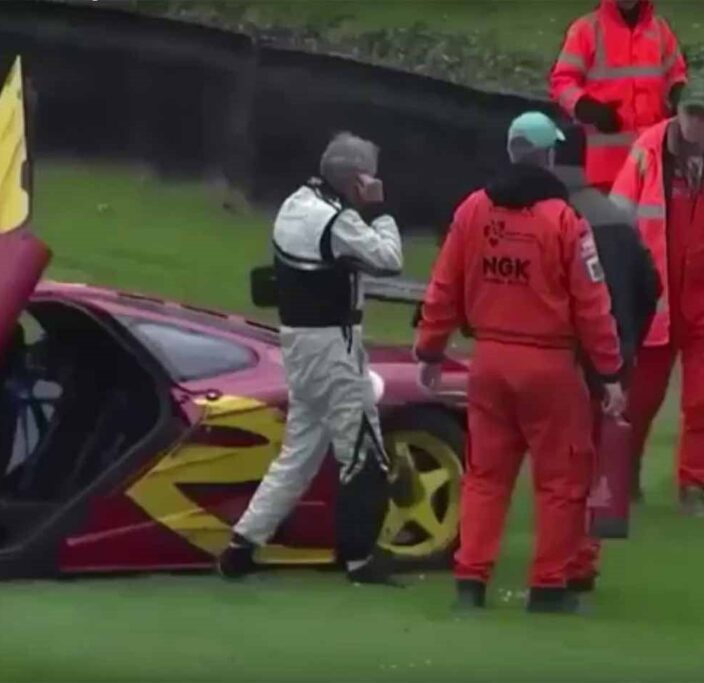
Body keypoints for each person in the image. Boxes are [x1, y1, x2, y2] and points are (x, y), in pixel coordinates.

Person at [414, 112, 626, 614]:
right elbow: (593, 305)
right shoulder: (565, 222)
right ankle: (548, 586)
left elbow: (442, 287)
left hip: (487, 359)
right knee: (560, 480)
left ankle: (471, 580)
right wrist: (610, 372)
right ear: (550, 155)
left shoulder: (472, 210)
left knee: (485, 476)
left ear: (509, 151)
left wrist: (429, 349)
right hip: (549, 366)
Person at [217, 132, 404, 585]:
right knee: (364, 452)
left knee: (298, 453)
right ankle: (359, 559)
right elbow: (390, 258)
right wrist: (377, 210)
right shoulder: (337, 221)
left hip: (298, 343)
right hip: (332, 345)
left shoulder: (294, 204)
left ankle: (242, 544)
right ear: (357, 180)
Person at [552, 144, 661, 590]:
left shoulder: (551, 216)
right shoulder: (615, 217)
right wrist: (631, 338)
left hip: (564, 354)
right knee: (597, 461)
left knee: (560, 462)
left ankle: (554, 564)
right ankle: (582, 561)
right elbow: (649, 285)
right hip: (617, 352)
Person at [610, 80, 704, 516]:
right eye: (693, 113)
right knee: (641, 397)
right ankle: (623, 476)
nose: (698, 123)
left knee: (702, 401)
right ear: (678, 111)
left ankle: (695, 486)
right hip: (657, 299)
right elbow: (618, 220)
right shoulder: (648, 151)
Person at [549, 0, 688, 192]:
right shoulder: (586, 29)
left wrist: (679, 94)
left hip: (654, 161)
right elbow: (562, 82)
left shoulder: (660, 30)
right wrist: (588, 108)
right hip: (608, 168)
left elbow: (676, 75)